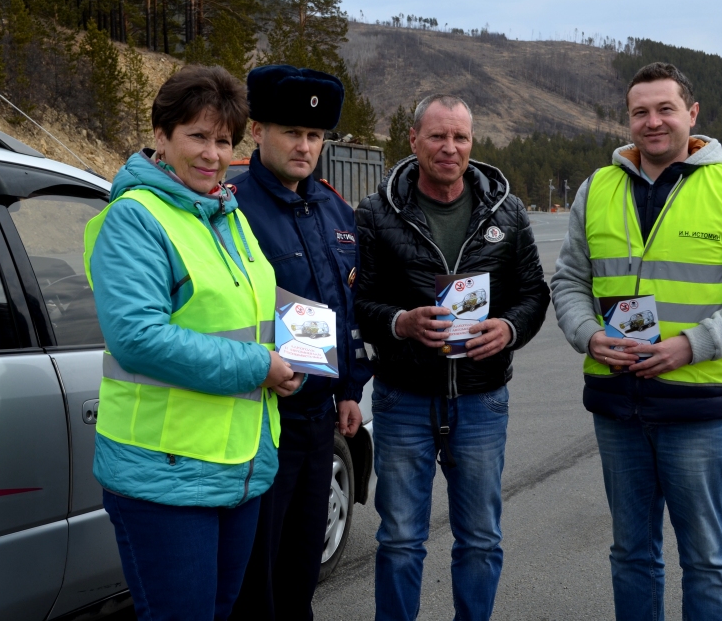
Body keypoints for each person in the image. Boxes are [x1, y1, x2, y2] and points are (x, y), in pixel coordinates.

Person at [550, 62, 722, 620]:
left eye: (665, 109)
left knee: (705, 559)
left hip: (696, 409)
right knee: (631, 554)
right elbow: (568, 279)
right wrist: (588, 336)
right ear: (628, 119)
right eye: (640, 111)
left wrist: (694, 344)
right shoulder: (598, 187)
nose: (653, 121)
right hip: (617, 406)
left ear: (693, 114)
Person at [82, 65, 304, 621]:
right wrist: (262, 365)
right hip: (166, 473)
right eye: (197, 137)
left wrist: (302, 345)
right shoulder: (136, 219)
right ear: (161, 137)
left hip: (239, 464)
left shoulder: (226, 215)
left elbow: (254, 307)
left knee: (219, 611)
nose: (212, 154)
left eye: (224, 141)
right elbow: (138, 338)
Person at [354, 94, 551, 620]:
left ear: (472, 143)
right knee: (398, 540)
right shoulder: (376, 213)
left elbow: (534, 293)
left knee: (481, 540)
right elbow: (360, 301)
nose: (449, 148)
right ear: (413, 140)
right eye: (437, 136)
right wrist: (402, 322)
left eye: (460, 137)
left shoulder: (506, 212)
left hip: (481, 401)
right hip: (403, 399)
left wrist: (508, 329)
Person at [227, 65, 372, 620]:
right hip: (259, 417)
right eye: (292, 132)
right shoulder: (230, 204)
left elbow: (344, 309)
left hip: (318, 425)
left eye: (315, 136)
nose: (304, 145)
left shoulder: (334, 211)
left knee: (301, 573)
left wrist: (349, 390)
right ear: (258, 130)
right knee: (253, 580)